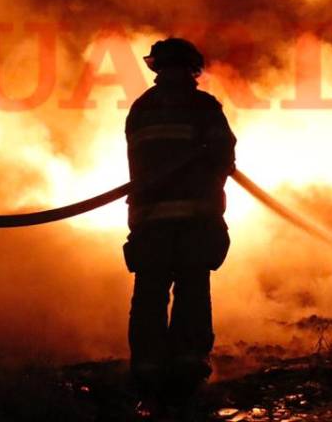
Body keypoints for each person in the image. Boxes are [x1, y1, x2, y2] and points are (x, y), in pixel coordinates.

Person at [123, 37, 236, 413]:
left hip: (150, 223)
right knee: (192, 294)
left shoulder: (141, 109)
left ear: (158, 68)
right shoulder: (203, 107)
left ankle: (148, 373)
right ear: (193, 69)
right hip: (193, 221)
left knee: (149, 296)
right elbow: (223, 158)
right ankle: (186, 375)